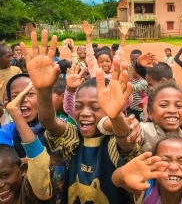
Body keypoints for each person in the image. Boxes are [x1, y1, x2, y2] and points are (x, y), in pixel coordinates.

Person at [20, 29, 140, 203]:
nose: (84, 112)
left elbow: (125, 142)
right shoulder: (74, 135)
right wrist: (43, 91)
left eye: (95, 106)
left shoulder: (114, 139)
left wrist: (115, 117)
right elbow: (49, 122)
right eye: (78, 106)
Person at [112, 136, 182, 204]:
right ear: (153, 165)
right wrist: (122, 174)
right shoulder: (146, 189)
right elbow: (118, 180)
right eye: (165, 160)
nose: (173, 167)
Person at [3, 82, 53, 203]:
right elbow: (5, 161)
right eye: (16, 96)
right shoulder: (6, 130)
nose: (23, 99)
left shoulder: (55, 127)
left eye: (30, 94)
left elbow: (39, 164)